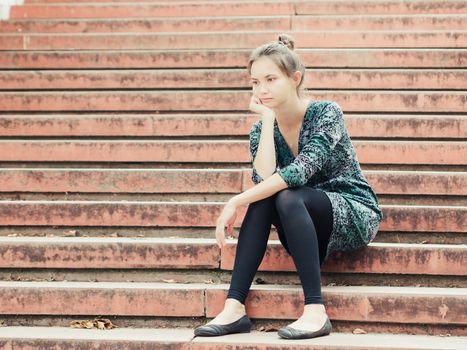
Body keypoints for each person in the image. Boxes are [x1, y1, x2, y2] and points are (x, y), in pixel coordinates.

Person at [194, 33, 383, 340]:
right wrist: (268, 120)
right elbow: (264, 178)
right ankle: (234, 306)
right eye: (255, 82)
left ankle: (315, 311)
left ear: (295, 78)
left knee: (286, 194)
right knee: (271, 196)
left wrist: (235, 201)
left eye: (270, 79)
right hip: (301, 219)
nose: (261, 89)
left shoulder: (326, 113)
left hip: (351, 210)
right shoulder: (260, 130)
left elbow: (299, 172)